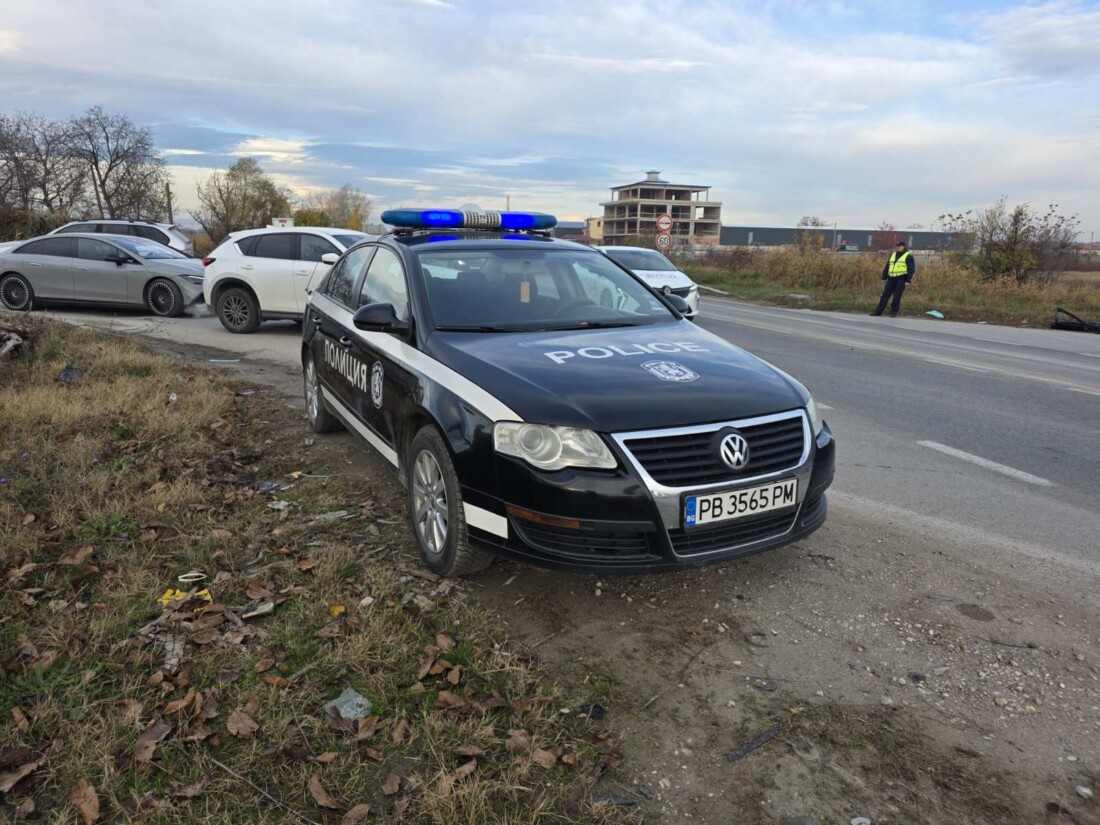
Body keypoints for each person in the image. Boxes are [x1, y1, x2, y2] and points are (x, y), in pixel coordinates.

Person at [870, 241, 915, 317]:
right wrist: (884, 277)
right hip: (891, 279)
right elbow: (887, 266)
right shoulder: (893, 255)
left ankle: (893, 312)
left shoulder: (908, 256)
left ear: (903, 247)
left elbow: (911, 269)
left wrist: (908, 280)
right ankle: (878, 312)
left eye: (899, 246)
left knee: (897, 296)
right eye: (896, 246)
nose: (897, 247)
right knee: (884, 295)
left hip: (901, 278)